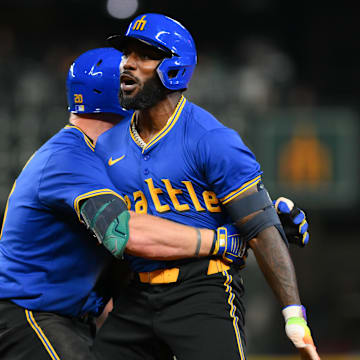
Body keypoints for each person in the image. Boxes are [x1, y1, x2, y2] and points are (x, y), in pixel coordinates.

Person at [92, 13, 320, 360]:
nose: (128, 64)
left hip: (202, 291)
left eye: (144, 55)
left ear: (174, 67)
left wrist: (294, 319)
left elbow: (260, 230)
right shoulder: (108, 146)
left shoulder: (212, 139)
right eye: (127, 54)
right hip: (137, 295)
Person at [0, 47, 251, 360]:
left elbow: (174, 205)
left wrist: (259, 216)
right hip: (27, 316)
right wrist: (218, 240)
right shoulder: (69, 159)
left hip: (67, 319)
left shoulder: (100, 157)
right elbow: (125, 231)